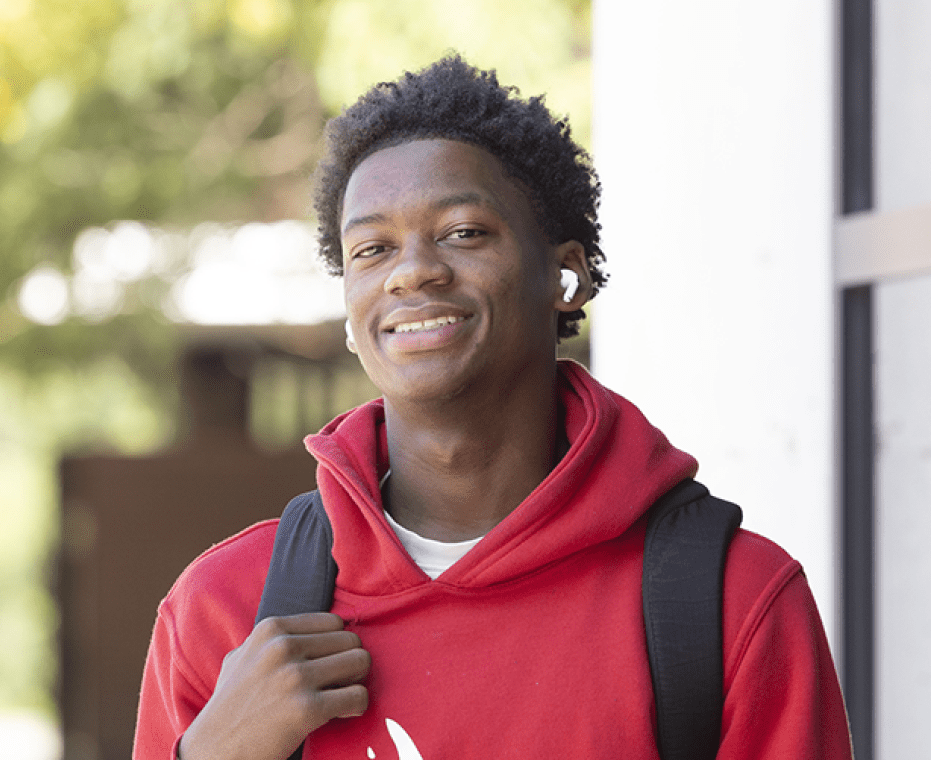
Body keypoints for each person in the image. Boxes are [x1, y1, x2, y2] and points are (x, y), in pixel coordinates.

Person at [132, 54, 852, 760]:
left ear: (564, 277)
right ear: (352, 316)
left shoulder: (729, 602)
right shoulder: (228, 608)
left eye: (464, 232)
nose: (413, 270)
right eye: (372, 249)